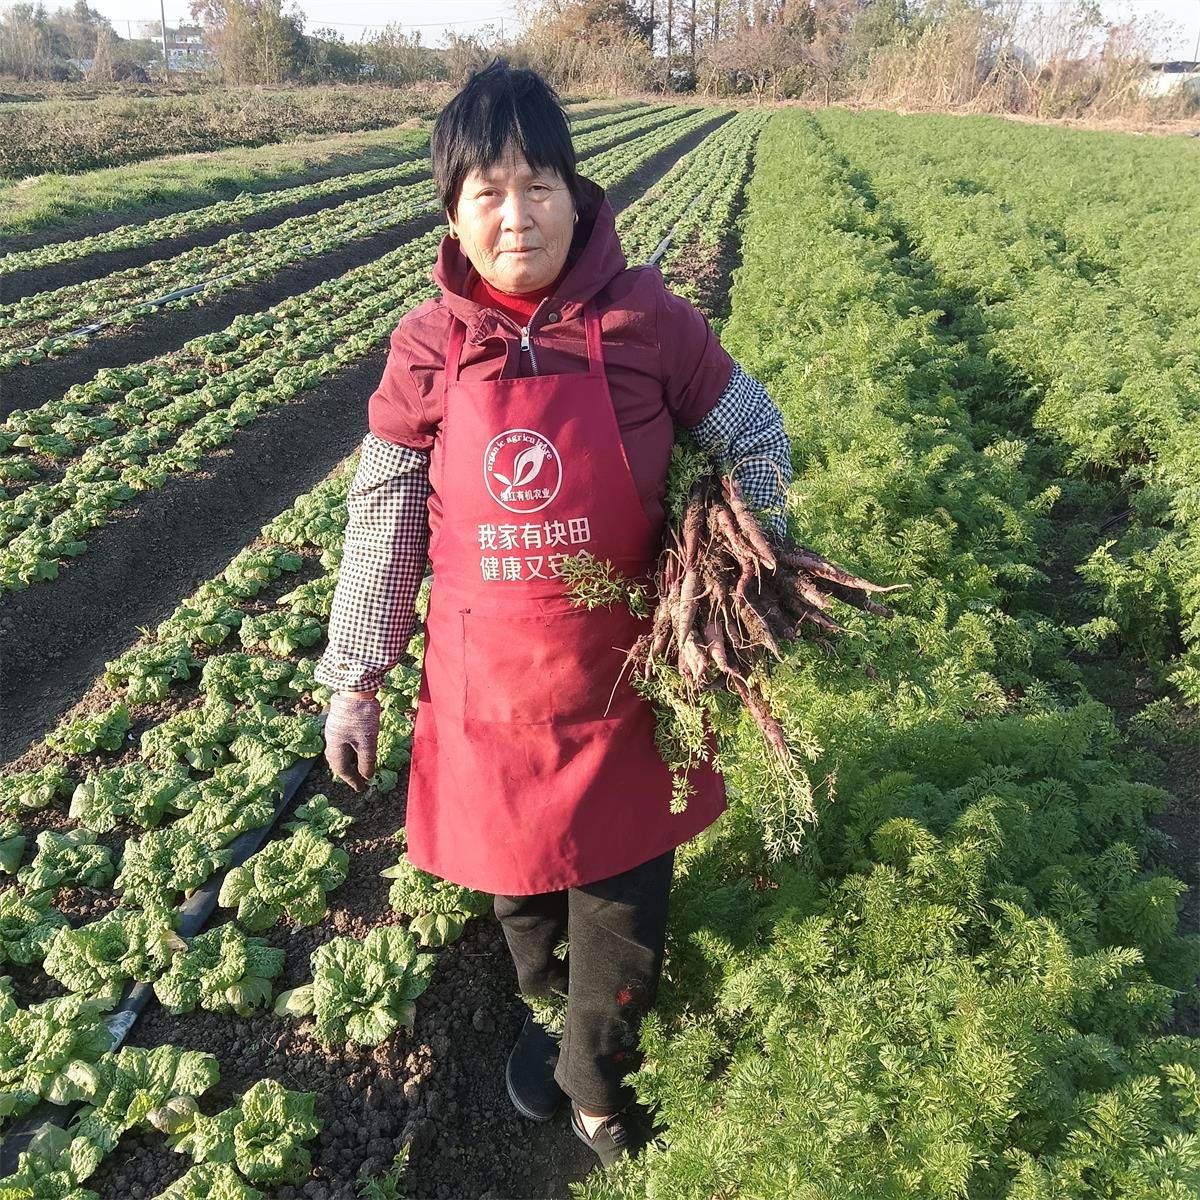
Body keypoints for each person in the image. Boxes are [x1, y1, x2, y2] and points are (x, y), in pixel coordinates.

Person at [314, 61, 792, 1168]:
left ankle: (596, 1089)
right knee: (523, 913)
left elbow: (756, 439)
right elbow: (383, 522)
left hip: (625, 699)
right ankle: (552, 1018)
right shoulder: (427, 351)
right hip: (487, 704)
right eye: (486, 190)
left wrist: (727, 574)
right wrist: (356, 677)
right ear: (452, 213)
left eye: (537, 184)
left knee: (620, 924)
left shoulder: (647, 320)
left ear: (579, 195)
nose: (514, 213)